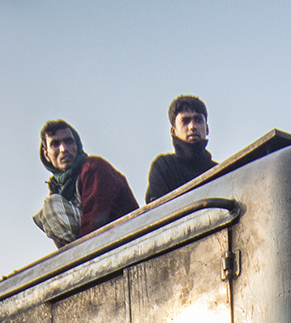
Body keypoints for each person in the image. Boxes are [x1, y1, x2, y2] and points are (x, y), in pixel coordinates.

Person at [34, 120, 138, 248]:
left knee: (52, 205)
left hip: (123, 237)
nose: (64, 149)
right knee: (46, 212)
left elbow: (95, 219)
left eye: (69, 141)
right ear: (46, 154)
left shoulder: (93, 167)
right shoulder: (57, 188)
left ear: (77, 145)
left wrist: (83, 253)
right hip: (92, 244)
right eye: (55, 144)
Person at [145, 95, 213, 202]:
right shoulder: (163, 167)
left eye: (198, 120)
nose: (192, 126)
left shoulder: (221, 171)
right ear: (173, 131)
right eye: (185, 121)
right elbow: (156, 209)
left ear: (207, 128)